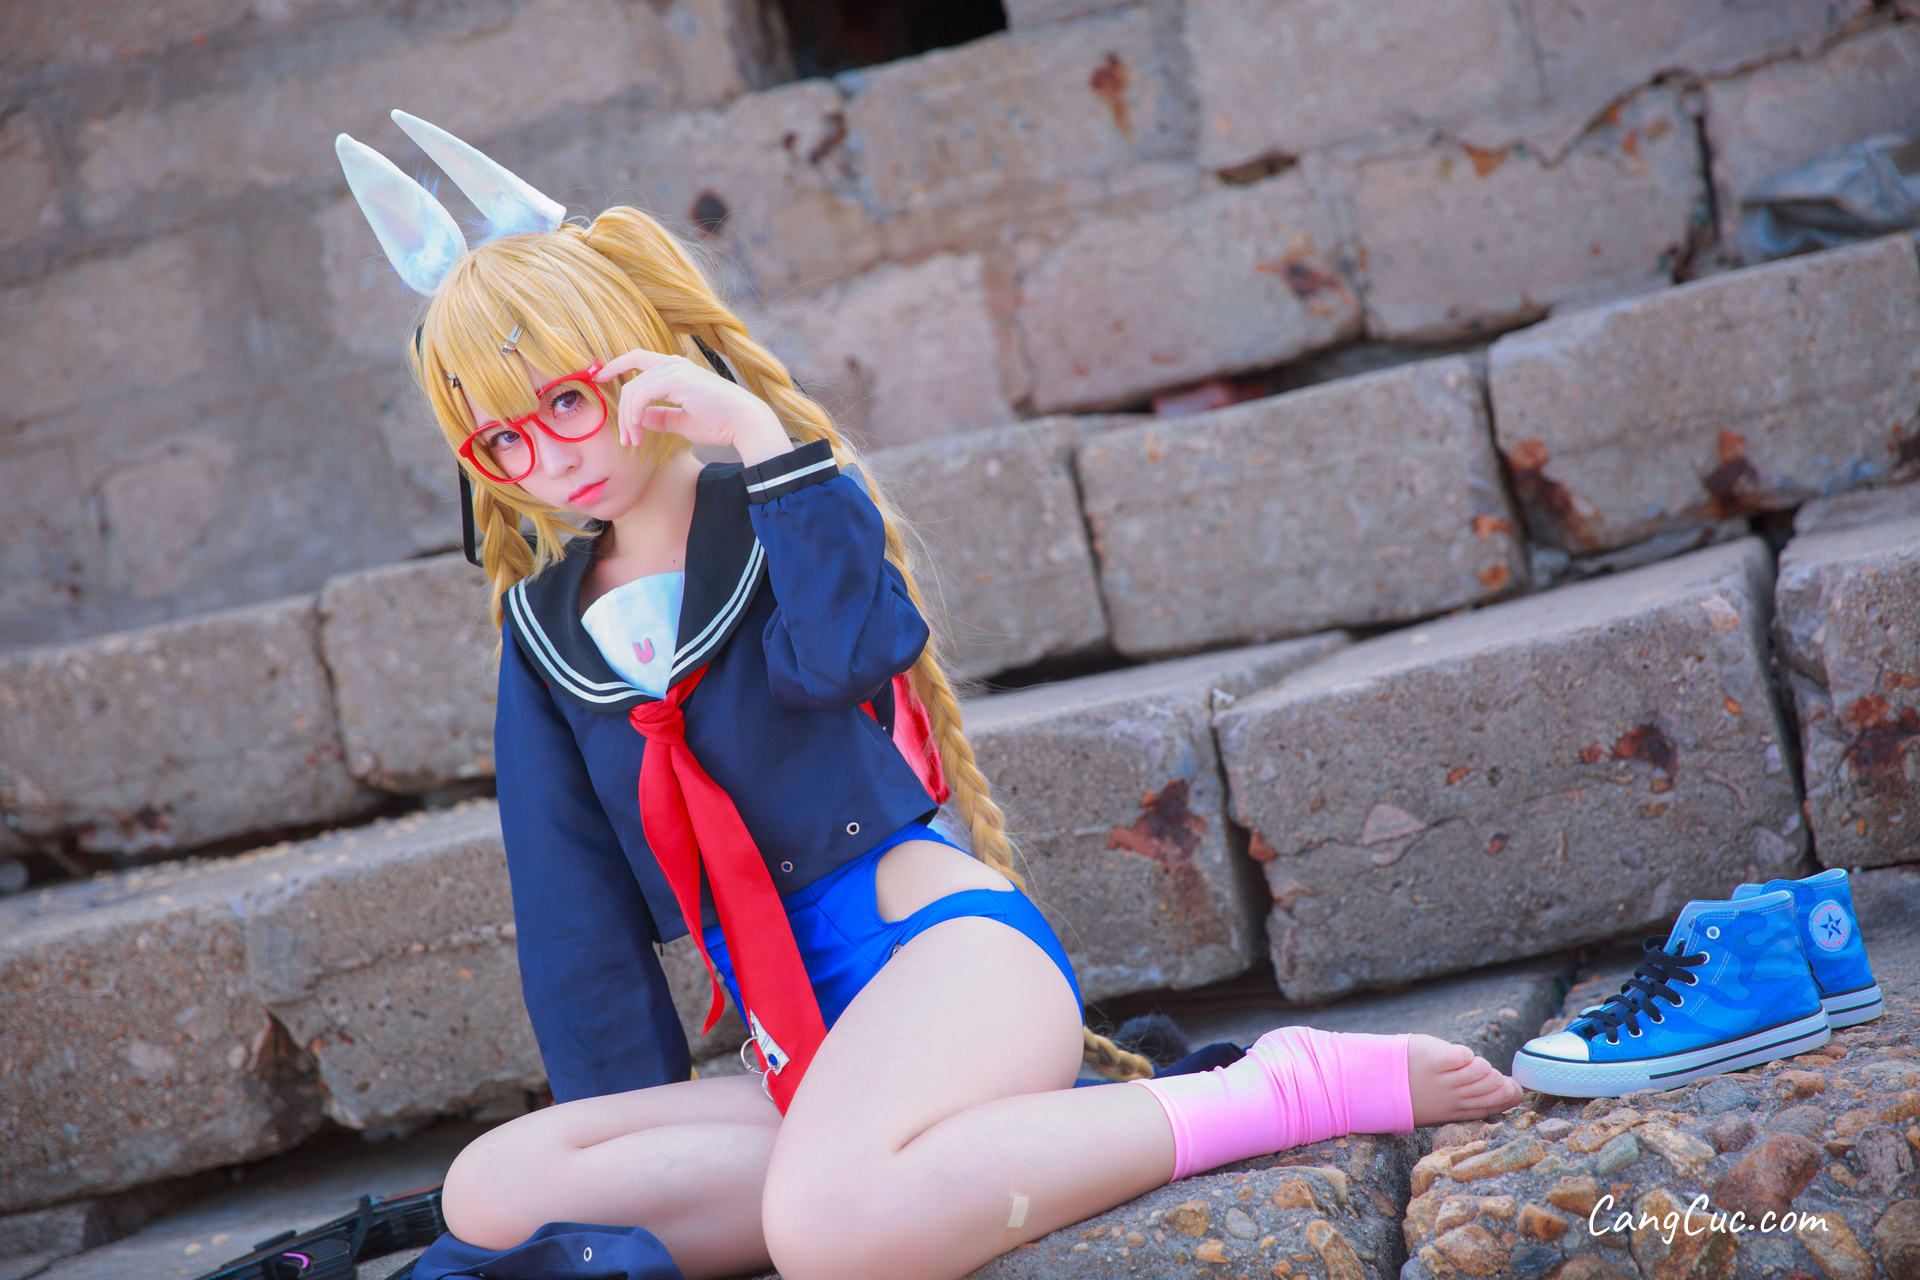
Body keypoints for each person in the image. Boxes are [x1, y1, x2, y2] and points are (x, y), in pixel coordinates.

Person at [336, 111, 1523, 1280]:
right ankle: (909, 1161)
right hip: (799, 1046)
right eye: (503, 442)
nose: (549, 459)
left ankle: (1277, 1091)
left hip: (941, 961)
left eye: (565, 402)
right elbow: (574, 915)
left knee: (827, 1231)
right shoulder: (543, 632)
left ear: (633, 354)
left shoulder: (772, 509)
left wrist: (754, 434)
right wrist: (625, 1151)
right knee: (496, 1189)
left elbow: (848, 654)